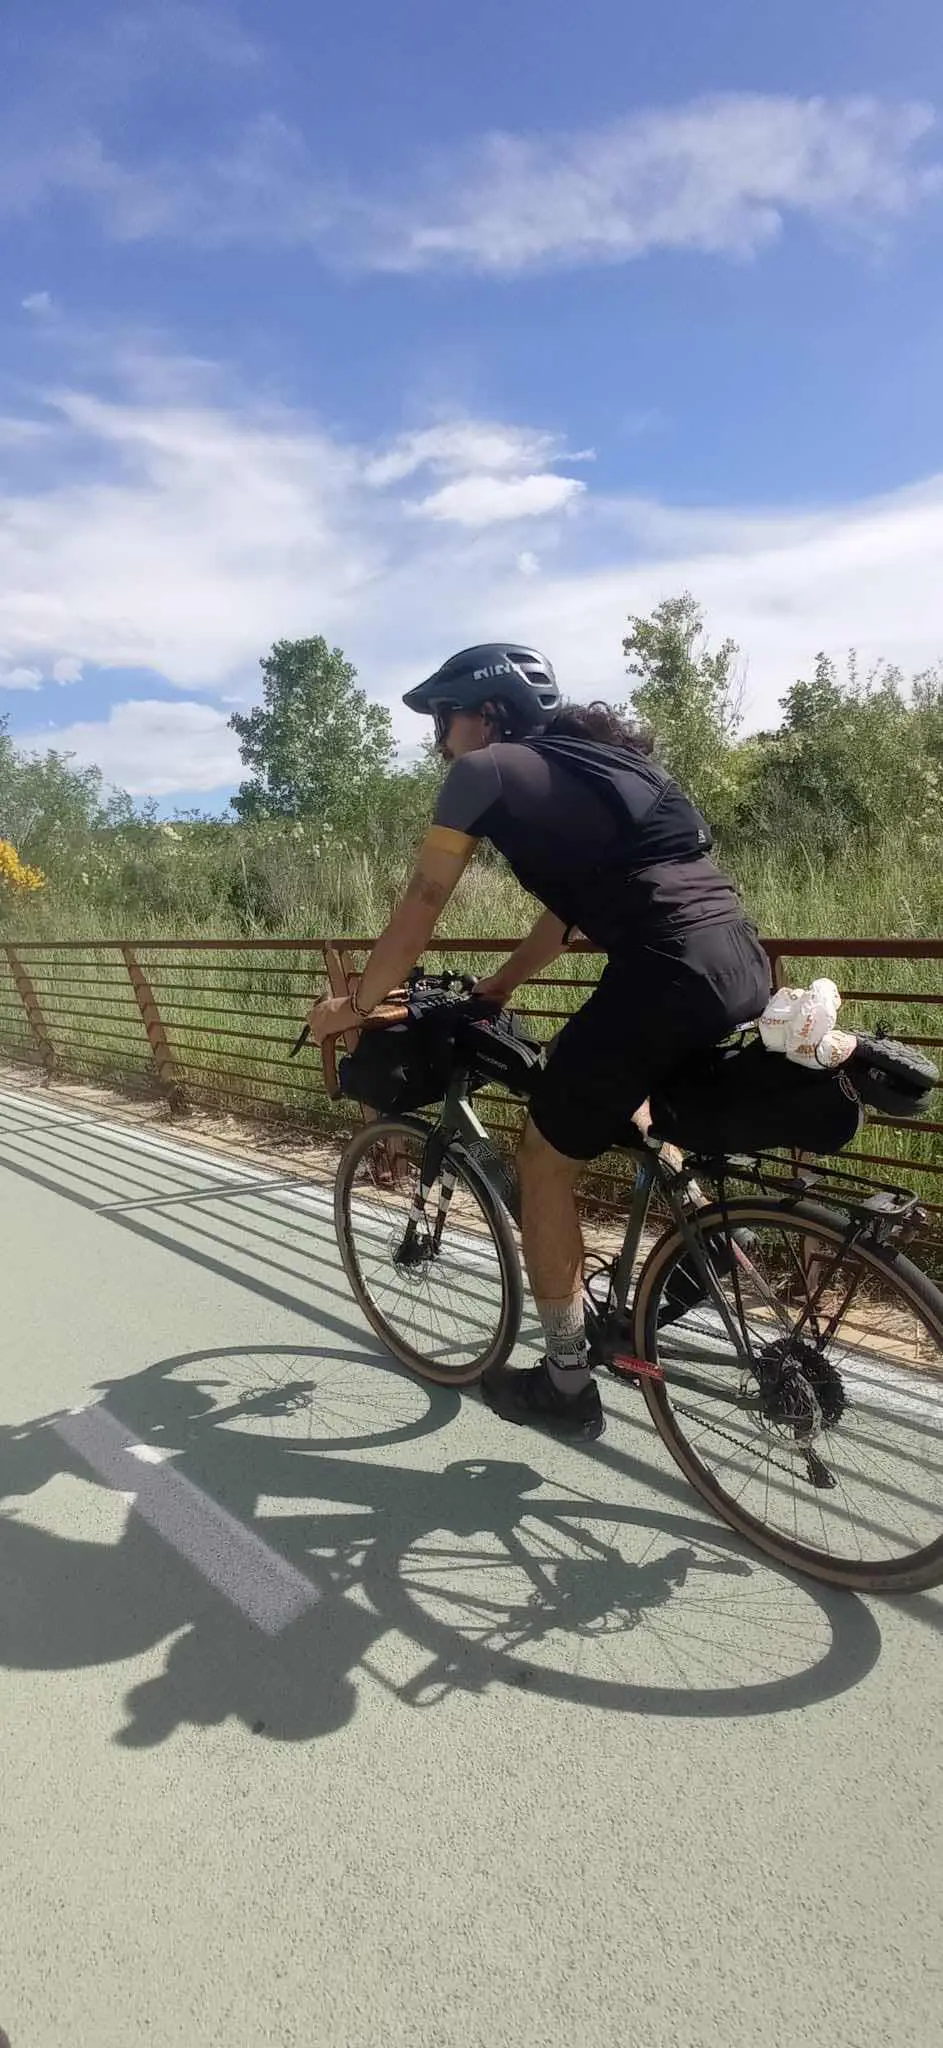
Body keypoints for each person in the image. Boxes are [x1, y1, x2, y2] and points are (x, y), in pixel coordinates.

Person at [307, 643, 772, 1441]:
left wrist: (355, 1004)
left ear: (487, 714)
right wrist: (501, 983)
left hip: (663, 971)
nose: (439, 739)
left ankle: (564, 1381)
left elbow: (421, 903)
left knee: (542, 1159)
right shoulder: (604, 767)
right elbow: (566, 914)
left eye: (444, 719)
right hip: (738, 961)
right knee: (628, 1097)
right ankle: (710, 1245)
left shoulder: (482, 772)